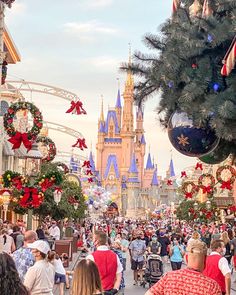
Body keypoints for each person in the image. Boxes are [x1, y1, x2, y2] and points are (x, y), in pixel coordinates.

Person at [145, 239, 222, 295]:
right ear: (205, 259)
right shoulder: (211, 286)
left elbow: (149, 293)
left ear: (187, 258)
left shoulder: (170, 277)